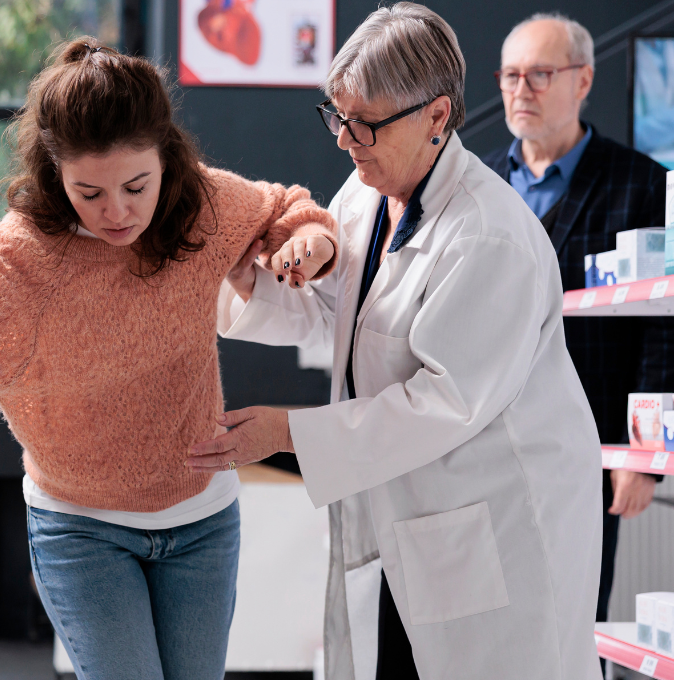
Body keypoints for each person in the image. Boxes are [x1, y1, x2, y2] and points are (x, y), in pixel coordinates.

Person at [0, 38, 338, 680]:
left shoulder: (199, 207)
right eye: (89, 191)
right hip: (82, 528)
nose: (116, 212)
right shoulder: (22, 256)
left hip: (204, 517)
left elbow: (277, 208)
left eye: (135, 185)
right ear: (55, 173)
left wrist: (309, 238)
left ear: (167, 159)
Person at [190, 4, 602, 678]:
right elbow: (334, 318)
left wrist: (289, 432)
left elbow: (441, 404)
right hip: (413, 502)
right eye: (336, 117)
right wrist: (245, 277)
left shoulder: (486, 235)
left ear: (437, 117)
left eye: (365, 124)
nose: (345, 142)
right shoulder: (367, 191)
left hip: (501, 509)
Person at [480, 13, 669, 633]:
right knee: (486, 622)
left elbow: (662, 329)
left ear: (583, 80)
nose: (521, 89)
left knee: (573, 619)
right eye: (511, 75)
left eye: (540, 74)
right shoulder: (479, 188)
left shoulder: (640, 184)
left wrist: (644, 455)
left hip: (587, 446)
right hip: (484, 447)